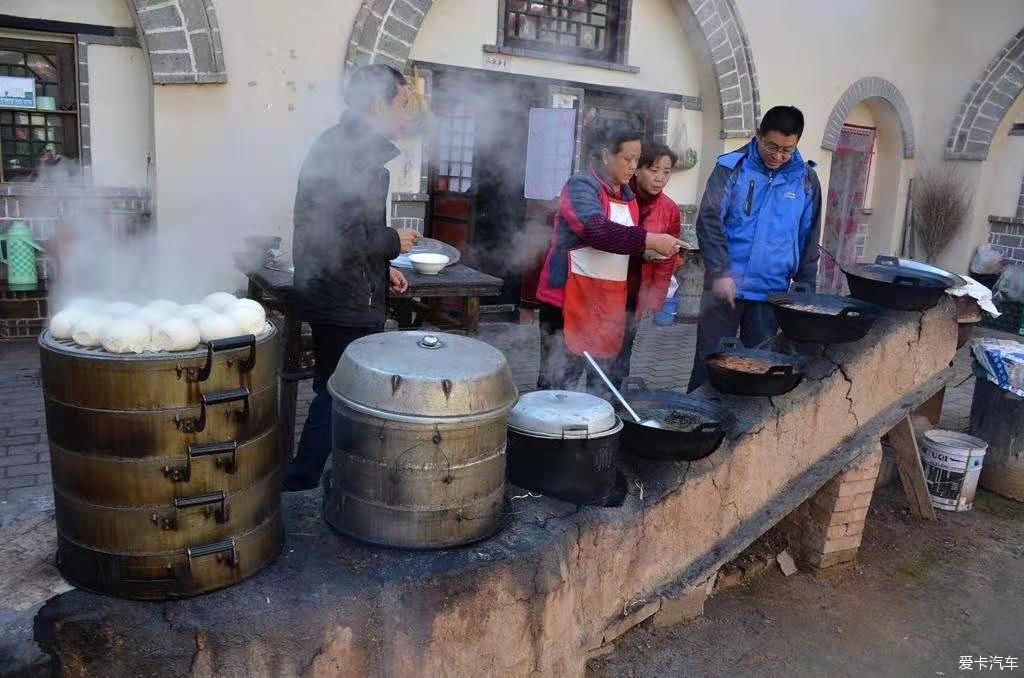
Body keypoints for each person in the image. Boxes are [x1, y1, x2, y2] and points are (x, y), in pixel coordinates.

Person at [285, 64, 422, 491]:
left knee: (338, 390)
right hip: (342, 299)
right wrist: (393, 241)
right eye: (402, 103)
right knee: (338, 393)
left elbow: (348, 232)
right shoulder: (355, 154)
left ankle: (325, 477)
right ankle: (302, 483)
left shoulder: (341, 144)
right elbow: (343, 236)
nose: (406, 115)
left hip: (339, 288)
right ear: (377, 104)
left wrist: (386, 270)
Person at [535, 119, 683, 393]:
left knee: (603, 385)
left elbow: (622, 241)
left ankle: (596, 433)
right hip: (568, 300)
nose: (632, 167)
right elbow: (596, 230)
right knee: (557, 384)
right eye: (628, 159)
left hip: (606, 304)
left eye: (637, 160)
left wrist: (645, 252)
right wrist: (649, 240)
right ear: (606, 156)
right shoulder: (581, 186)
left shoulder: (626, 194)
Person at [687, 105, 822, 391]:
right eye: (771, 146)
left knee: (757, 369)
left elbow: (808, 237)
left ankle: (746, 433)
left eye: (787, 149)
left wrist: (805, 287)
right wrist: (720, 271)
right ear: (758, 135)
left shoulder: (806, 180)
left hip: (771, 293)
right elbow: (709, 221)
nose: (778, 156)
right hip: (724, 288)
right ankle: (693, 420)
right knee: (709, 363)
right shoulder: (731, 167)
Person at [602, 143, 686, 387]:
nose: (660, 178)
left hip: (637, 291)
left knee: (622, 352)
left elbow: (669, 259)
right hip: (606, 285)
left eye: (666, 172)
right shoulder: (616, 196)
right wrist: (642, 249)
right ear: (637, 169)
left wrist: (654, 299)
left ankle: (614, 406)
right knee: (595, 351)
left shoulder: (669, 209)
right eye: (653, 170)